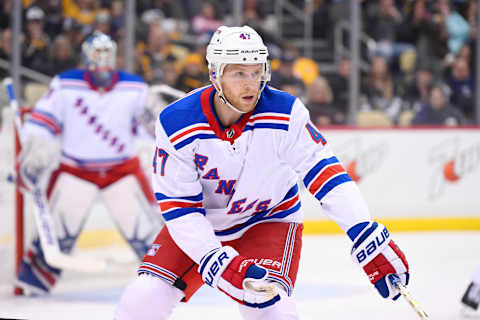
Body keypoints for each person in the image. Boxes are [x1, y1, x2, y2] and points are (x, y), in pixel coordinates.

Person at [115, 26, 410, 320]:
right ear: (214, 74)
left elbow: (325, 173)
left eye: (256, 72)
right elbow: (179, 207)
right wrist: (212, 258)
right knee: (141, 301)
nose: (251, 84)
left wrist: (364, 232)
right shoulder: (176, 122)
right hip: (202, 224)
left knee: (271, 309)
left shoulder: (285, 112)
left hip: (269, 220)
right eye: (239, 73)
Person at [16, 31, 162, 295]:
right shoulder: (65, 85)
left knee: (147, 234)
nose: (102, 62)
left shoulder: (135, 87)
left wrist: (155, 125)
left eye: (107, 55)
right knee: (59, 233)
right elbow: (42, 122)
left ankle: (166, 283)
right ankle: (33, 285)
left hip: (121, 170)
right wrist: (34, 149)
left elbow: (155, 128)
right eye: (96, 55)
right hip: (76, 169)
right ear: (85, 58)